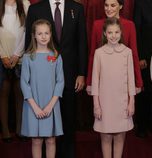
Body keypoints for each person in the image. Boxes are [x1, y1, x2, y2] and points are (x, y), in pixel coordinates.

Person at [25, 0, 88, 158]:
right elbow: (28, 41)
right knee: (43, 126)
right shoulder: (35, 9)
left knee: (68, 116)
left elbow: (82, 42)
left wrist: (81, 72)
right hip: (40, 78)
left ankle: (68, 153)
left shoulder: (77, 8)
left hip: (70, 74)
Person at [91, 17, 135, 158]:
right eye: (110, 33)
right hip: (104, 103)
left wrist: (131, 102)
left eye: (116, 32)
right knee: (106, 137)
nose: (113, 36)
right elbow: (95, 82)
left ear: (121, 33)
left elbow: (131, 80)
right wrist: (96, 105)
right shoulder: (99, 53)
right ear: (105, 34)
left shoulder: (127, 52)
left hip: (122, 102)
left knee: (120, 136)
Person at [21, 19, 64, 158]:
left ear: (51, 34)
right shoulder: (28, 57)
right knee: (36, 140)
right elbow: (24, 83)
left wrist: (51, 105)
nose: (43, 36)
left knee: (51, 139)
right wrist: (35, 107)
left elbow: (60, 82)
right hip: (34, 105)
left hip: (51, 104)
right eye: (40, 33)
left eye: (46, 33)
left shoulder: (56, 56)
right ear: (34, 35)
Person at [86, 0, 143, 95]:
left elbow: (134, 55)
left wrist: (138, 82)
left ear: (120, 6)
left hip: (123, 79)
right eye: (106, 5)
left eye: (113, 5)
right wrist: (90, 82)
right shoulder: (97, 25)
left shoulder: (129, 25)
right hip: (103, 80)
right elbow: (92, 55)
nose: (108, 9)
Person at [0, 0, 30, 142]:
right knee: (3, 93)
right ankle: (5, 131)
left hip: (20, 57)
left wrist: (17, 54)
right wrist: (2, 55)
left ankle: (20, 129)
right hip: (2, 57)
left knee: (20, 94)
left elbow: (27, 31)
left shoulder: (25, 4)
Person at [133, 0, 152, 137]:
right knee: (146, 91)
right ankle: (142, 125)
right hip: (146, 57)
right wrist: (140, 56)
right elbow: (137, 29)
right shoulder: (141, 2)